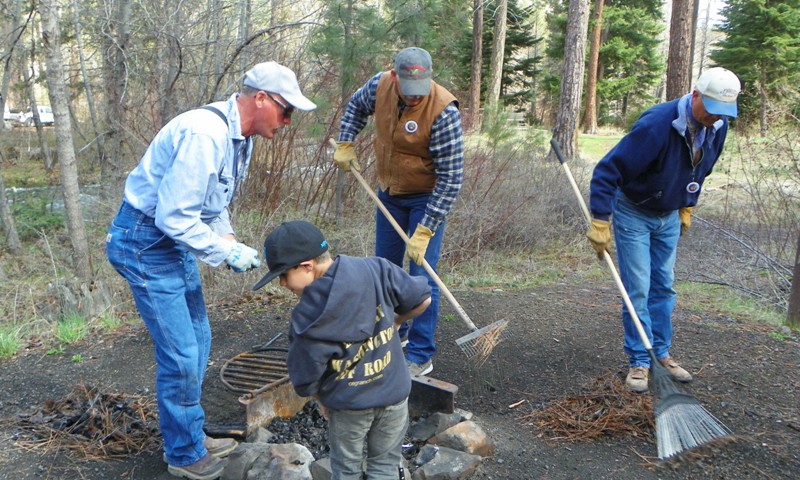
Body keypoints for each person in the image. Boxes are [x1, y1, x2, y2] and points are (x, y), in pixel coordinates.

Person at [105, 62, 316, 480]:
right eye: (286, 110)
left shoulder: (241, 139)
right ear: (261, 99)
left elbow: (212, 207)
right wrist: (222, 252)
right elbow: (174, 217)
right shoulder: (205, 134)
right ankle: (183, 454)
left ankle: (191, 433)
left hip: (172, 239)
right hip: (145, 242)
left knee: (199, 340)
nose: (289, 121)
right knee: (181, 354)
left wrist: (230, 240)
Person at [587, 67, 741, 393]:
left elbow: (702, 167)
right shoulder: (657, 124)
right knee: (639, 287)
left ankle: (662, 352)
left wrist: (688, 202)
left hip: (668, 214)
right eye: (711, 109)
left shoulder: (718, 126)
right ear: (696, 95)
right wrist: (601, 219)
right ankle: (639, 361)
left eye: (723, 113)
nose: (715, 118)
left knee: (664, 287)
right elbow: (607, 171)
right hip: (634, 211)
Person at [252, 220, 431, 479]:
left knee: (346, 470)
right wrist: (396, 321)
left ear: (307, 266)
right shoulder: (375, 268)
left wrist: (320, 399)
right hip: (394, 394)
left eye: (283, 275)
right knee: (385, 466)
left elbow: (305, 374)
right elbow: (423, 298)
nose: (282, 284)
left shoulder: (308, 315)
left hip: (350, 406)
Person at [332, 46, 464, 377]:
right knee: (386, 270)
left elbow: (451, 180)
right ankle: (395, 335)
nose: (416, 98)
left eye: (421, 91)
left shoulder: (444, 111)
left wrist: (426, 228)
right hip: (389, 192)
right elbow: (354, 109)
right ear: (395, 76)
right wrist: (346, 142)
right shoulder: (380, 85)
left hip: (427, 197)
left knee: (421, 275)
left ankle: (420, 352)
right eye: (409, 90)